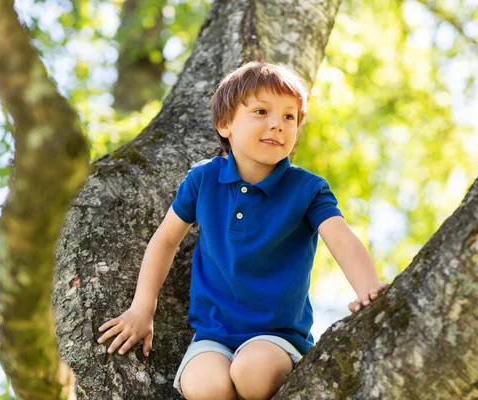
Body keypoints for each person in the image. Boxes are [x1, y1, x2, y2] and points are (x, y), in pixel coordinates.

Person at [97, 61, 388, 400]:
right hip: (213, 337)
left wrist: (369, 291)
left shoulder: (307, 189)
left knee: (253, 372)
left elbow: (340, 237)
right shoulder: (203, 179)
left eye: (289, 117)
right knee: (204, 387)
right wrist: (142, 310)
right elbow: (165, 241)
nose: (277, 124)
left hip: (276, 336)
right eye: (261, 111)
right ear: (225, 124)